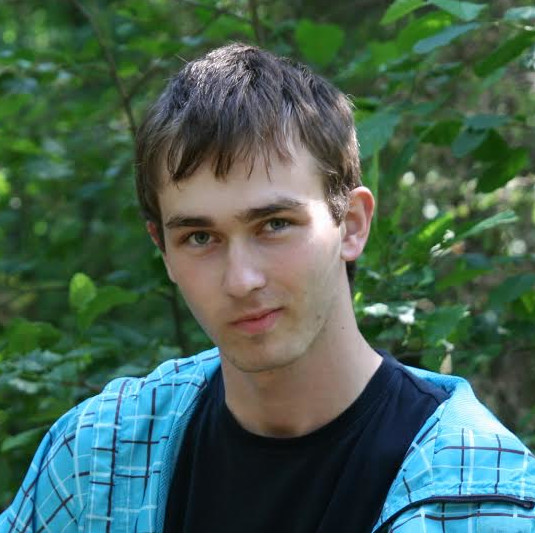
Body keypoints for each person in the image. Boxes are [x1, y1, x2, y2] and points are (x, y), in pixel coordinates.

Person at [1, 43, 534, 533]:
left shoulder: (479, 500)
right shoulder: (99, 462)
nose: (241, 280)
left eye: (275, 224)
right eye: (199, 237)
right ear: (163, 250)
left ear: (351, 225)